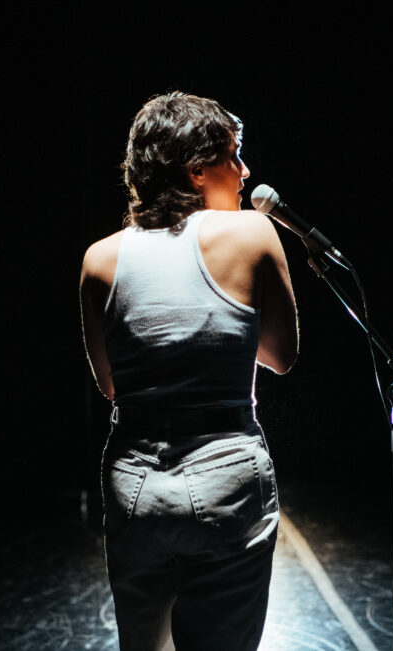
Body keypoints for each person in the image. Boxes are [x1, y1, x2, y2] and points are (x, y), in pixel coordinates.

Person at [80, 91, 298, 651]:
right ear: (198, 170)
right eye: (233, 155)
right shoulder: (252, 232)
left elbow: (111, 386)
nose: (245, 172)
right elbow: (281, 354)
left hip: (134, 480)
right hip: (225, 470)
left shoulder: (100, 258)